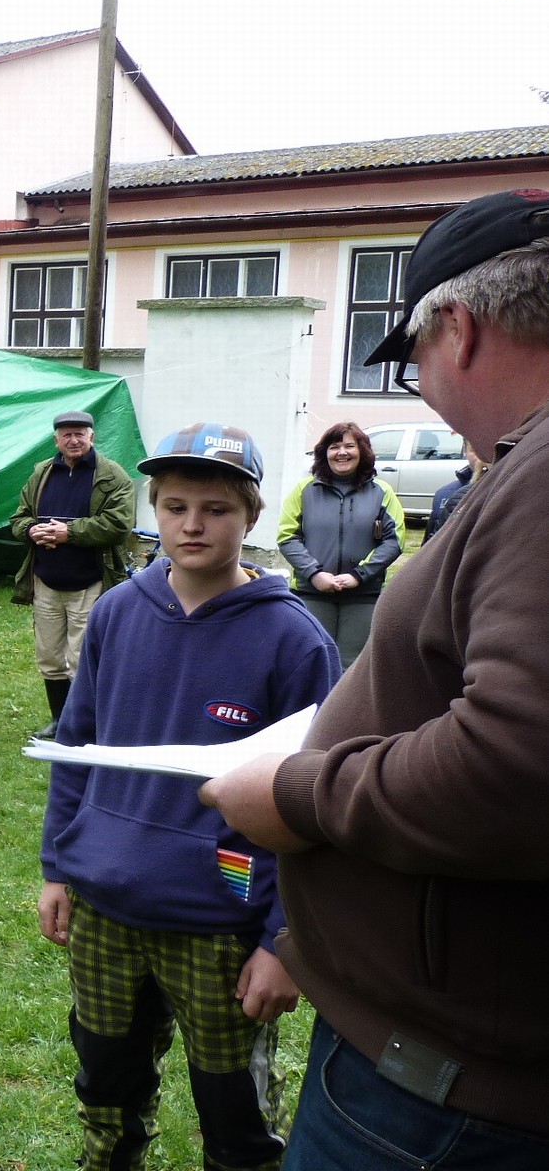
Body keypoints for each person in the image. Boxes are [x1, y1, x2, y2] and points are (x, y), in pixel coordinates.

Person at [201, 189, 549, 1168]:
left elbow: (518, 762)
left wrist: (294, 796)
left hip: (438, 1103)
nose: (421, 388)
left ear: (459, 329)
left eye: (413, 357)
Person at [38, 421, 340, 1171]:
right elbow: (76, 748)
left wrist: (282, 942)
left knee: (235, 1113)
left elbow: (315, 808)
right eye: (175, 507)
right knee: (106, 1084)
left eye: (216, 509)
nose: (193, 525)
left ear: (252, 515)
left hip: (220, 921)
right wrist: (58, 867)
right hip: (105, 903)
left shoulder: (295, 641)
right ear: (155, 510)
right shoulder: (117, 612)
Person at [10, 409, 134, 739]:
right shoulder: (42, 473)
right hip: (46, 580)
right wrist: (32, 530)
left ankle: (85, 725)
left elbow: (120, 525)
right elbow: (19, 517)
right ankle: (59, 720)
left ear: (92, 437)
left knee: (81, 659)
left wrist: (70, 532)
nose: (74, 440)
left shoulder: (112, 476)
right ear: (56, 440)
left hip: (89, 581)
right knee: (50, 657)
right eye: (67, 434)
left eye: (80, 433)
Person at [277, 421, 405, 668]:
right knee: (311, 662)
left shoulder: (382, 492)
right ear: (324, 453)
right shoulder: (304, 490)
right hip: (312, 593)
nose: (342, 452)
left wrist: (359, 575)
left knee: (352, 667)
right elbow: (287, 537)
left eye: (349, 446)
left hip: (362, 595)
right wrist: (314, 574)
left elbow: (395, 540)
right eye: (334, 447)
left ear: (362, 451)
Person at [421, 439, 477, 542]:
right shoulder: (444, 494)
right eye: (475, 449)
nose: (482, 457)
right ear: (464, 450)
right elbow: (429, 543)